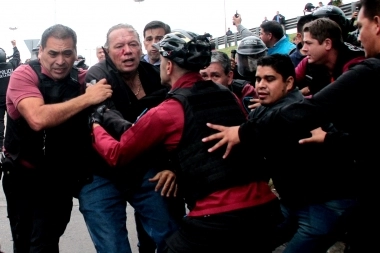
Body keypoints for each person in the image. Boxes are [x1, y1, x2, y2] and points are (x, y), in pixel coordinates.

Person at [202, 1, 380, 251]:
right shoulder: (270, 101)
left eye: (360, 27)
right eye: (258, 79)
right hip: (298, 202)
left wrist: (242, 132)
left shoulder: (362, 70)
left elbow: (308, 112)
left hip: (326, 205)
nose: (358, 35)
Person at [90, 29, 282, 253]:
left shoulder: (169, 110)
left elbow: (118, 153)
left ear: (169, 65)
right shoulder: (226, 94)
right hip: (265, 211)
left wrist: (94, 126)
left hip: (218, 217)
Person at [0, 24, 112, 253]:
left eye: (67, 53)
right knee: (24, 241)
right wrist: (86, 99)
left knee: (45, 242)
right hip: (22, 175)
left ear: (75, 52)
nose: (60, 60)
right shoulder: (24, 74)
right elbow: (37, 118)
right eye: (53, 53)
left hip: (58, 179)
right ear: (40, 51)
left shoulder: (82, 79)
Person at [78, 23, 182, 253]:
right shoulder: (98, 74)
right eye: (120, 46)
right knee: (113, 247)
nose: (128, 50)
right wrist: (138, 131)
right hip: (100, 172)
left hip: (144, 168)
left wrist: (173, 166)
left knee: (171, 237)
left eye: (133, 44)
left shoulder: (155, 76)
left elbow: (177, 118)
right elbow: (106, 115)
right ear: (106, 51)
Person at [249, 54, 357, 253]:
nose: (261, 85)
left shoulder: (296, 112)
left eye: (269, 79)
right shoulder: (263, 110)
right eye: (258, 79)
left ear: (289, 82)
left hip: (326, 205)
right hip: (294, 202)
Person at [295, 18, 365, 95]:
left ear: (327, 44)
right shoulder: (309, 60)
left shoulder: (355, 65)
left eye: (308, 43)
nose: (304, 49)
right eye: (303, 43)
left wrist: (299, 96)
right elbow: (286, 82)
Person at [0, 40, 20, 148]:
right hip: (10, 97)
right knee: (13, 119)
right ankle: (13, 142)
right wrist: (14, 46)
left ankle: (0, 145)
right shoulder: (10, 65)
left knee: (0, 121)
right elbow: (17, 57)